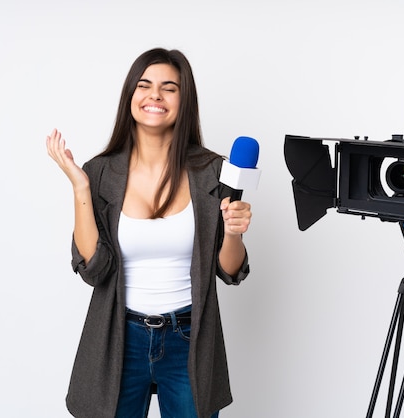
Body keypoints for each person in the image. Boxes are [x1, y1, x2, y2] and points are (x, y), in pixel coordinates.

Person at [46, 48, 252, 418]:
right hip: (119, 338)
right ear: (131, 97)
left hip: (189, 338)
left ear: (184, 100)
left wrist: (234, 233)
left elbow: (229, 271)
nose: (155, 95)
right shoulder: (99, 173)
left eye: (168, 88)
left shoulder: (212, 172)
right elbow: (95, 270)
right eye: (144, 85)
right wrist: (80, 187)